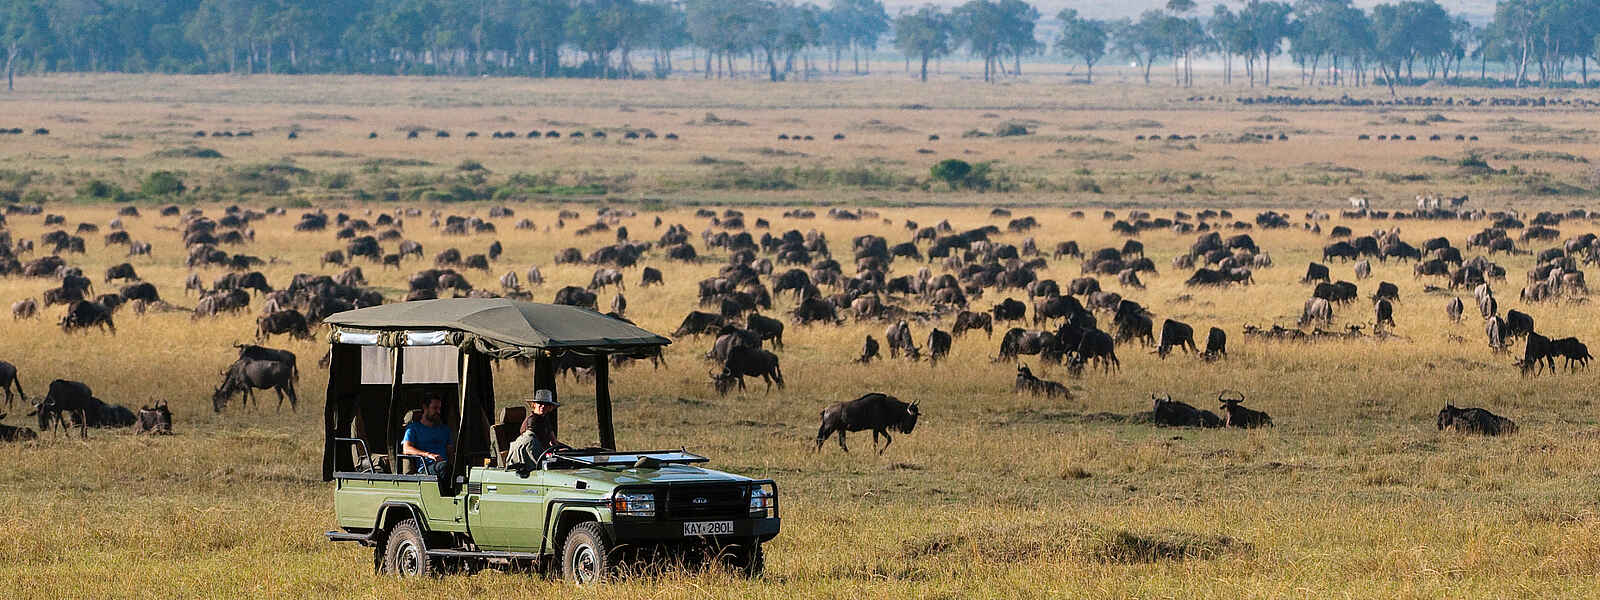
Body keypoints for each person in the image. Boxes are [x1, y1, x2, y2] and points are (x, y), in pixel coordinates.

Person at [506, 390, 561, 468]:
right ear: (534, 405)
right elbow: (534, 445)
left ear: (550, 407)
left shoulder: (545, 420)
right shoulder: (532, 421)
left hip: (541, 454)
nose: (543, 406)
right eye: (540, 403)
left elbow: (553, 441)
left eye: (546, 404)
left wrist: (567, 449)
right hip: (530, 459)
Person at [401, 394, 451, 476]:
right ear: (425, 407)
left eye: (439, 408)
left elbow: (450, 451)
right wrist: (428, 454)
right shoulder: (413, 428)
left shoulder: (445, 429)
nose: (438, 412)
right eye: (435, 408)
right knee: (445, 467)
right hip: (426, 467)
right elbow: (406, 449)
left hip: (445, 465)